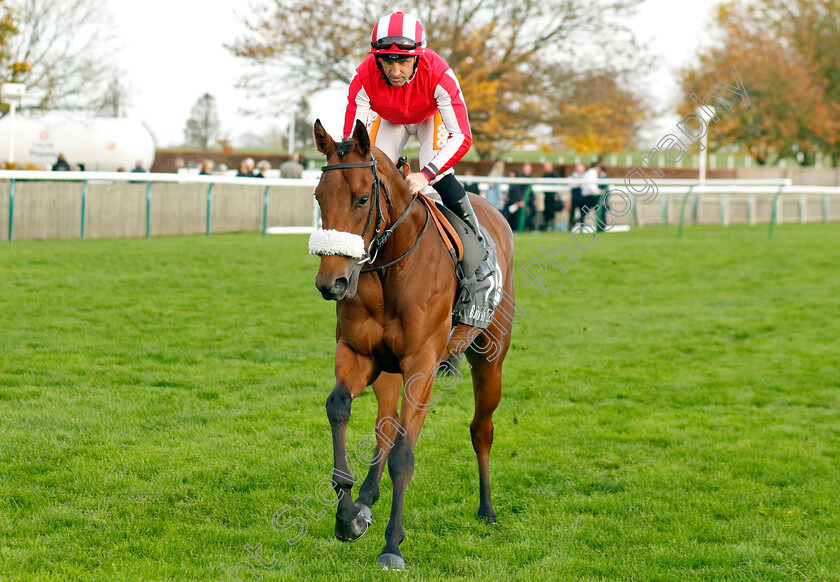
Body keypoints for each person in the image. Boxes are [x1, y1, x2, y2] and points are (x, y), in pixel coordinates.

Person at [345, 11, 490, 274]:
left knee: (437, 171)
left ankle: (476, 250)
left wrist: (425, 175)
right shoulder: (362, 78)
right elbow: (351, 144)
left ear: (418, 58)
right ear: (376, 58)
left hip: (428, 116)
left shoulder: (440, 74)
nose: (395, 71)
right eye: (387, 62)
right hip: (389, 118)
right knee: (368, 169)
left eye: (403, 62)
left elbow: (462, 137)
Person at [541, 162, 559, 231]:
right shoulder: (545, 175)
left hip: (552, 197)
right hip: (547, 196)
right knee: (546, 212)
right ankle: (546, 227)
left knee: (552, 212)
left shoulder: (554, 175)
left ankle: (551, 227)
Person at [568, 163, 586, 230]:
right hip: (575, 197)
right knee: (572, 213)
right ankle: (570, 226)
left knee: (583, 213)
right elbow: (571, 186)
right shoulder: (572, 176)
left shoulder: (584, 176)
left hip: (582, 198)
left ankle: (582, 227)